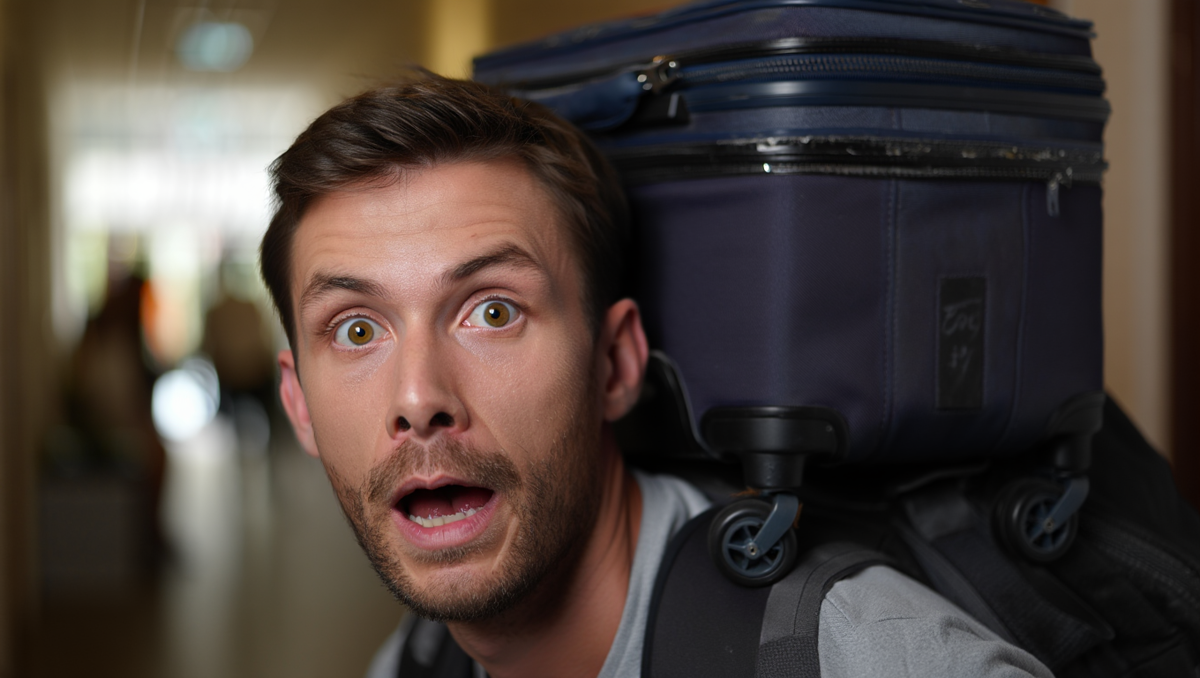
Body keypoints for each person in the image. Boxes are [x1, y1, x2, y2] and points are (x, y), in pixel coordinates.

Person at [260, 73, 1053, 678]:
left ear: (615, 363)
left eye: (493, 312)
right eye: (357, 329)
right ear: (298, 404)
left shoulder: (865, 656)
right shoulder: (418, 659)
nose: (418, 398)